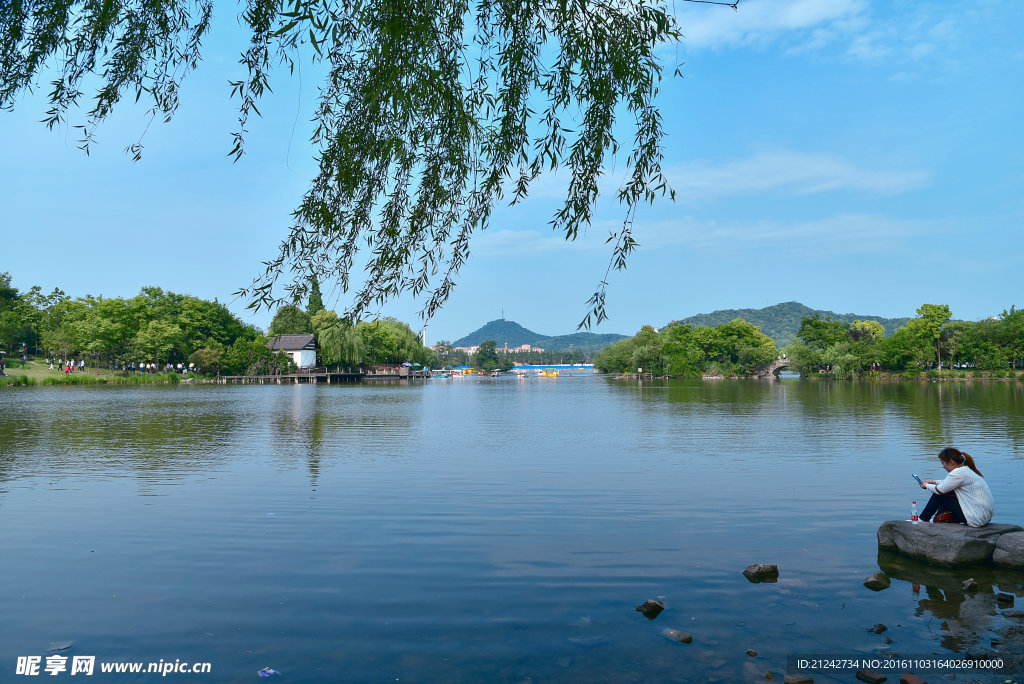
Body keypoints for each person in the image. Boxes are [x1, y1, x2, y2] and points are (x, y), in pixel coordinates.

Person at [919, 447, 994, 526]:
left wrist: (926, 486)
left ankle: (924, 518)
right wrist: (934, 482)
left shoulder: (958, 473)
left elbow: (940, 490)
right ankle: (936, 520)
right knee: (947, 491)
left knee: (941, 492)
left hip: (976, 519)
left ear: (951, 462)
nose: (943, 466)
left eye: (943, 463)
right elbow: (950, 483)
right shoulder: (966, 470)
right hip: (983, 517)